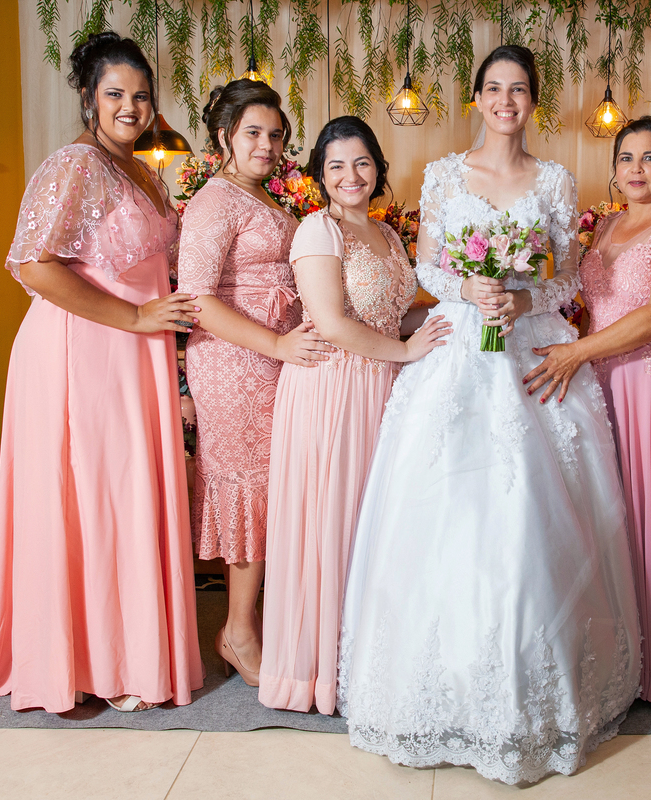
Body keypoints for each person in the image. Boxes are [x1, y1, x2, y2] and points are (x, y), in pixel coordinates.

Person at [336, 46, 642, 784]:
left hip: (531, 346)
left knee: (532, 510)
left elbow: (565, 271)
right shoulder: (442, 175)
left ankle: (536, 692)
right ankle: (433, 690)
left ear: (533, 101)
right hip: (459, 348)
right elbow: (430, 264)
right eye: (495, 88)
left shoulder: (557, 179)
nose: (507, 100)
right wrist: (471, 290)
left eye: (520, 90)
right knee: (448, 507)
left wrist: (526, 297)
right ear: (477, 98)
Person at [0, 31, 203, 713]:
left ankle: (129, 652)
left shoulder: (148, 172)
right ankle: (82, 660)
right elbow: (33, 266)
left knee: (126, 497)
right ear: (88, 98)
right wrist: (132, 319)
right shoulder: (75, 166)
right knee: (89, 498)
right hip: (81, 353)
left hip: (136, 354)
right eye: (116, 94)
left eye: (142, 95)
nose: (132, 106)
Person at [258, 116, 450, 713]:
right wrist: (406, 350)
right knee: (331, 521)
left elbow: (394, 316)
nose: (351, 175)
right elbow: (336, 323)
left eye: (361, 163)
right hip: (332, 392)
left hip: (381, 390)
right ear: (320, 174)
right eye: (336, 165)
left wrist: (452, 317)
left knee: (373, 526)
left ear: (378, 169)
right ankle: (314, 674)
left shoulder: (389, 237)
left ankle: (366, 661)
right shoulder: (318, 231)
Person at [524, 116, 651, 705]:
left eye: (650, 158)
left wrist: (576, 351)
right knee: (610, 513)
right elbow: (581, 302)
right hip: (600, 381)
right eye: (626, 158)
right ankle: (618, 654)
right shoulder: (603, 226)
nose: (636, 170)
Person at [178, 79, 333, 687]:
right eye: (253, 133)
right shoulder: (215, 201)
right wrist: (277, 344)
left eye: (275, 134)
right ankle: (239, 632)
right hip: (236, 361)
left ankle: (257, 622)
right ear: (224, 137)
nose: (266, 145)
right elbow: (195, 300)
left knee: (275, 490)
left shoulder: (267, 200)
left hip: (276, 357)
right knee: (251, 493)